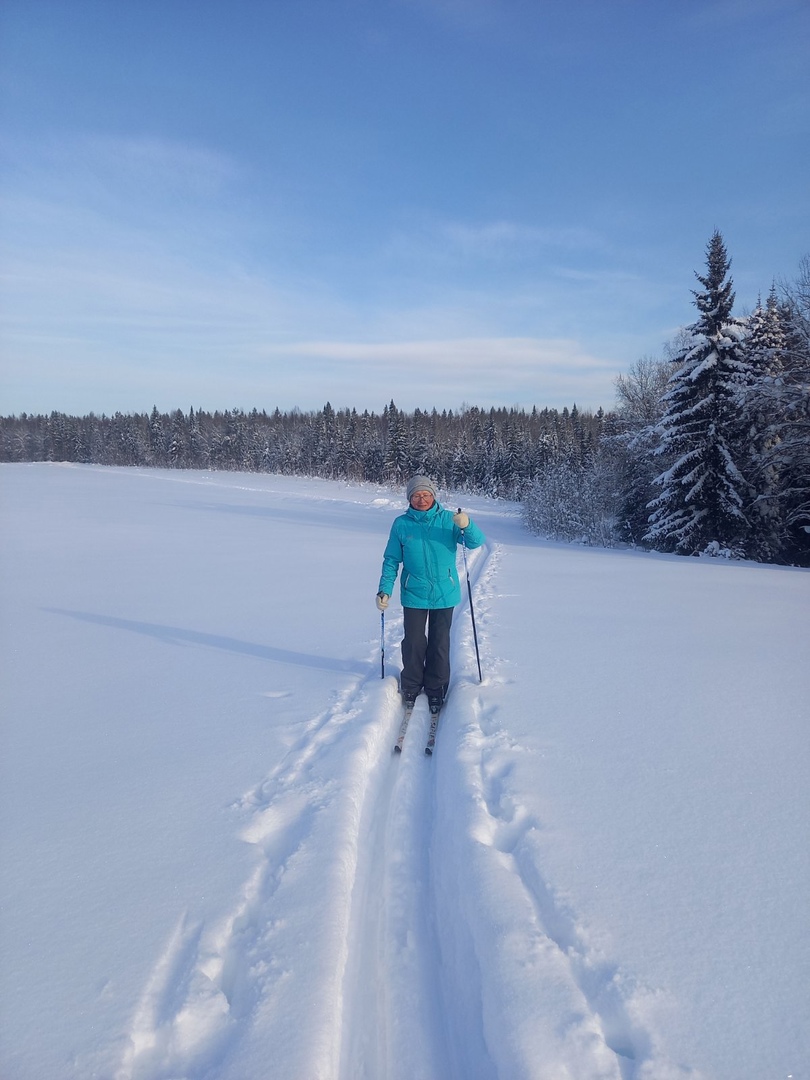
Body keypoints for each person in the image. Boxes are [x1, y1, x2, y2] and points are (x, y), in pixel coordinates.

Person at [376, 475, 485, 710]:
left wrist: (467, 525)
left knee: (439, 643)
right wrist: (385, 589)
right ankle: (412, 686)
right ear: (409, 498)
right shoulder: (401, 524)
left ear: (434, 496)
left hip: (445, 592)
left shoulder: (449, 520)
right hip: (414, 592)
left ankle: (436, 688)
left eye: (426, 494)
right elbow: (391, 559)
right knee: (414, 642)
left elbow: (476, 542)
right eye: (416, 495)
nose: (421, 499)